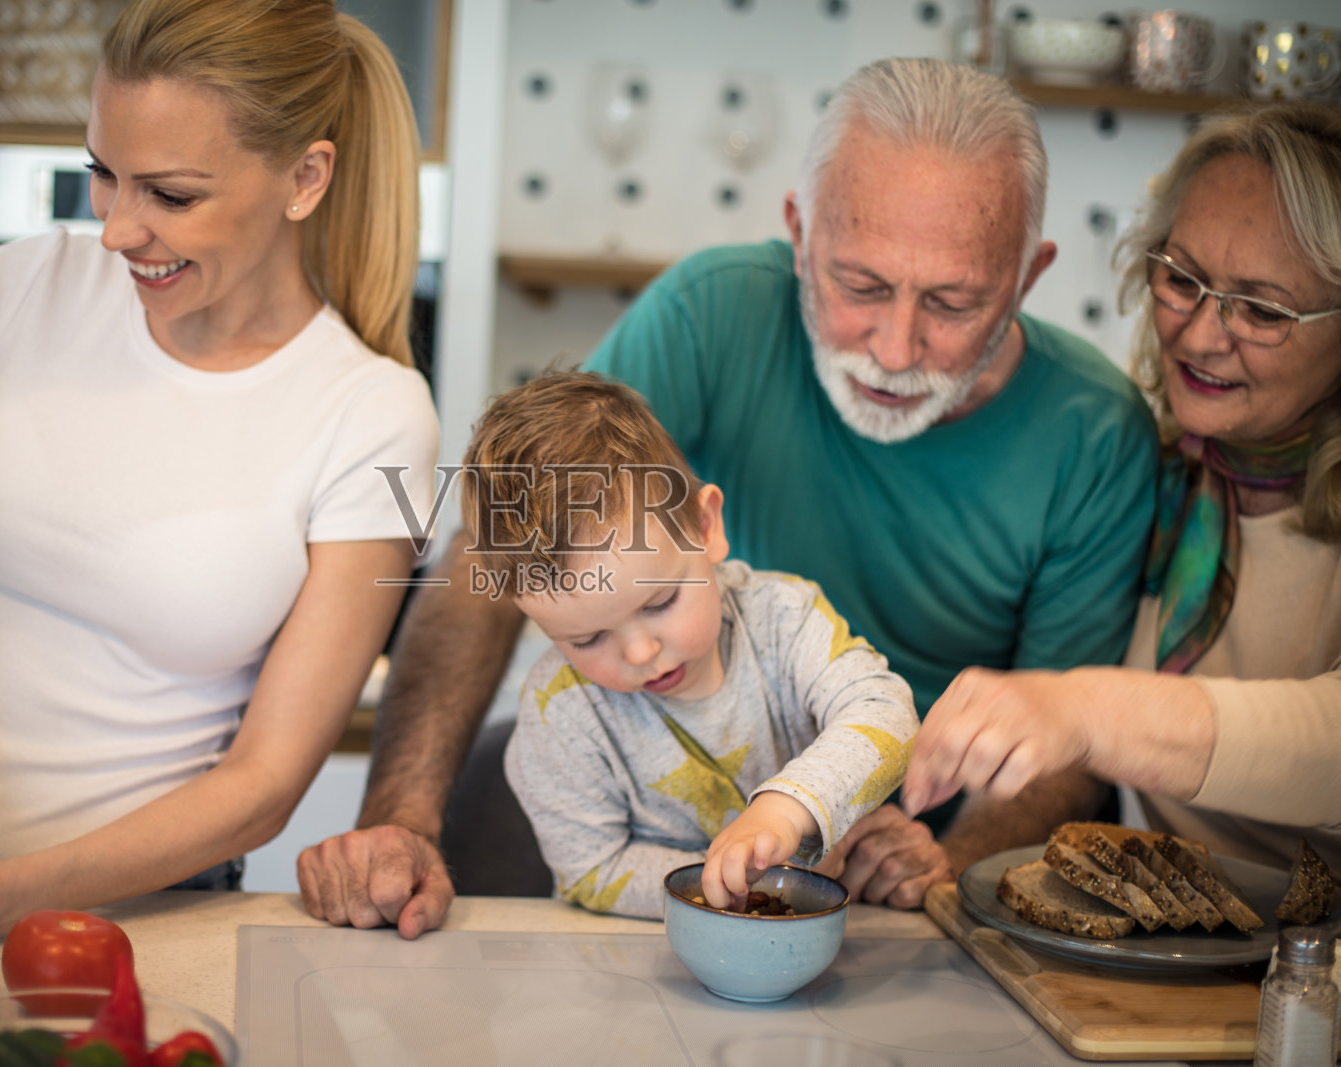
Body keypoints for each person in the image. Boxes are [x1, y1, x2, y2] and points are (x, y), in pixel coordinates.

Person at [296, 57, 1157, 936]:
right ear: (797, 232)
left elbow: (1064, 752)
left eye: (953, 302)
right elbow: (503, 543)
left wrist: (945, 880)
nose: (896, 348)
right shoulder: (712, 313)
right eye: (858, 286)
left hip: (916, 892)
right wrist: (401, 821)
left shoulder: (1095, 432)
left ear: (1028, 276)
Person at [0, 0, 438, 959]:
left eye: (172, 195)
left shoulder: (371, 412)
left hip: (142, 927)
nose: (116, 232)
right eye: (103, 176)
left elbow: (266, 783)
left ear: (304, 178)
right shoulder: (32, 283)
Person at [902, 101, 1341, 874]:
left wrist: (1087, 710)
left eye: (1264, 309)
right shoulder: (1150, 465)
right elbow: (1069, 762)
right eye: (1183, 279)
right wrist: (942, 859)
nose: (1202, 335)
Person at [460, 372, 918, 919]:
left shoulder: (784, 620)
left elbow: (887, 714)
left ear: (705, 526)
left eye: (659, 603)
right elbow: (591, 870)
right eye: (586, 639)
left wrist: (786, 810)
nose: (638, 653)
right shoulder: (557, 710)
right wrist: (732, 880)